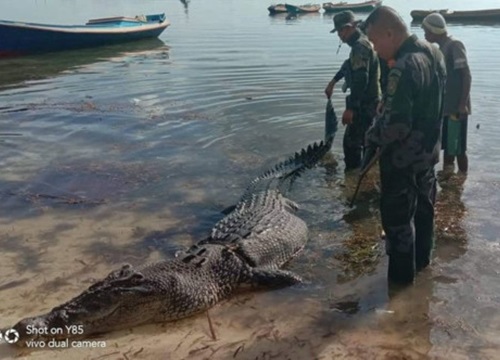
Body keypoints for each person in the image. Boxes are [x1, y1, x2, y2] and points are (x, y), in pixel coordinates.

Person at [362, 6, 446, 286]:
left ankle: (399, 291)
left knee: (398, 227)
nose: (374, 49)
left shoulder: (403, 66)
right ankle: (423, 272)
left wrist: (371, 138)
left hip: (402, 162)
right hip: (428, 155)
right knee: (424, 215)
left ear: (389, 32)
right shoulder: (434, 52)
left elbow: (396, 126)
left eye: (375, 42)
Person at [325, 11, 381, 172]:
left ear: (350, 27)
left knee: (351, 144)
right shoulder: (362, 42)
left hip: (365, 103)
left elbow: (360, 79)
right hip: (371, 101)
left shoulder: (360, 47)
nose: (340, 36)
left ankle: (354, 177)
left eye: (342, 31)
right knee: (366, 141)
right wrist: (333, 82)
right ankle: (367, 174)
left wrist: (351, 109)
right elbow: (349, 65)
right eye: (338, 32)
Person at [422, 13, 472, 173]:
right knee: (449, 148)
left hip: (456, 108)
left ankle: (462, 181)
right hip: (445, 108)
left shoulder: (454, 45)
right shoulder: (439, 49)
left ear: (433, 30)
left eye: (425, 30)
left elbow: (466, 75)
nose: (424, 33)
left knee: (458, 148)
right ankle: (450, 183)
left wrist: (462, 104)